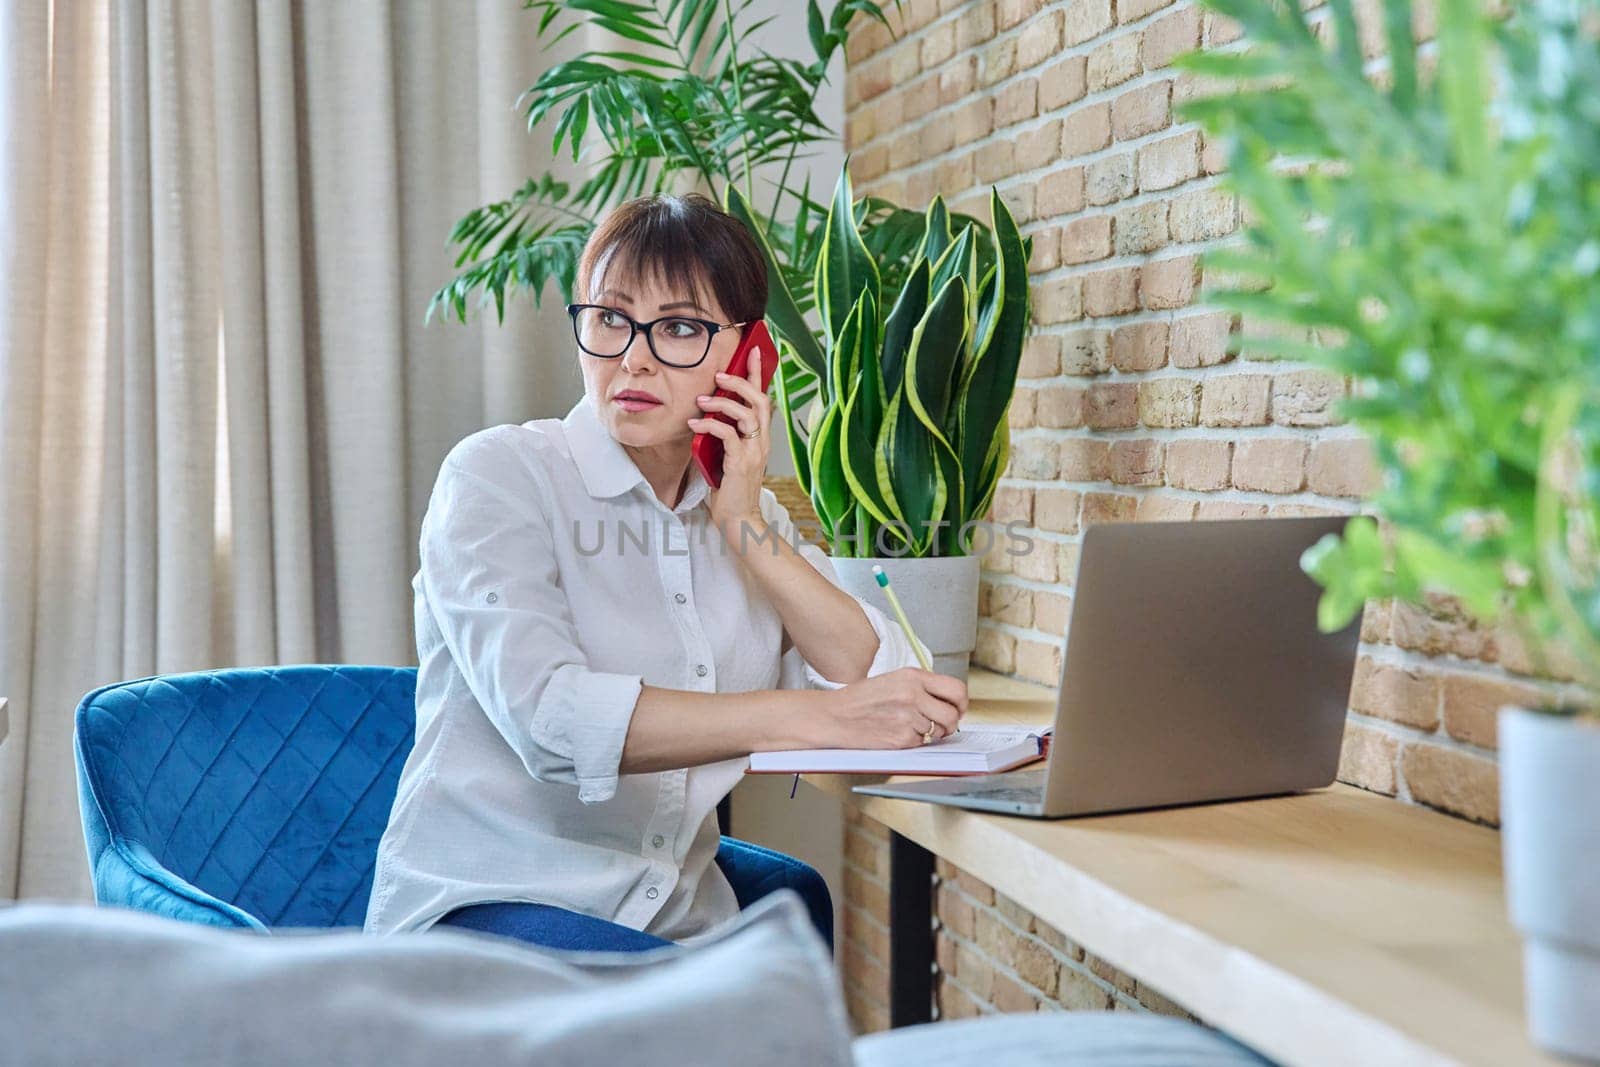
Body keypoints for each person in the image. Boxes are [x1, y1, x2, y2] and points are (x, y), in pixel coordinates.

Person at [362, 192, 969, 952]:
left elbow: (884, 675)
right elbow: (551, 718)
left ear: (749, 356)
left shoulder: (744, 519)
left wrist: (747, 527)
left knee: (788, 919)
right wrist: (804, 718)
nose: (633, 356)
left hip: (672, 914)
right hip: (489, 910)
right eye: (610, 319)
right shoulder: (498, 476)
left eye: (680, 327)